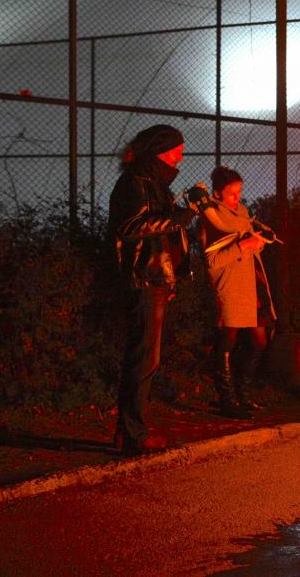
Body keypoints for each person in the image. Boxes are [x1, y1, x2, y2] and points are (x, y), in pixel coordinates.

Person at [108, 124, 201, 456]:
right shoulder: (135, 183)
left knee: (146, 357)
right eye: (177, 149)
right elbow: (130, 226)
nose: (181, 155)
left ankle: (130, 432)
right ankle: (134, 433)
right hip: (144, 281)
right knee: (144, 358)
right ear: (161, 151)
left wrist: (171, 277)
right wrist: (179, 218)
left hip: (156, 280)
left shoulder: (154, 183)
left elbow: (161, 235)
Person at [197, 166, 277, 418]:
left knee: (260, 340)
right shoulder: (211, 217)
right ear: (218, 194)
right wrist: (243, 245)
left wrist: (258, 243)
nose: (237, 198)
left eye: (239, 192)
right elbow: (211, 261)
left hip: (251, 283)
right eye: (232, 194)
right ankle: (226, 399)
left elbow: (249, 246)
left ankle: (243, 394)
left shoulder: (241, 213)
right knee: (227, 340)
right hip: (229, 285)